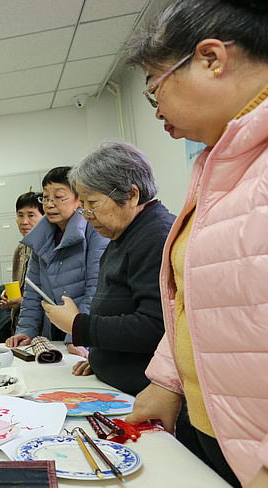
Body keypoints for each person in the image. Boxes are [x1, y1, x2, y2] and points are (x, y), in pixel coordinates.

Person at [122, 1, 268, 488]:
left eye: (154, 86)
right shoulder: (217, 164)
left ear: (210, 58)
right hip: (216, 429)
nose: (155, 107)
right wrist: (167, 381)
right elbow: (195, 298)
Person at [39, 141, 175, 395]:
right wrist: (101, 358)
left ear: (131, 195)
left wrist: (78, 325)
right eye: (83, 206)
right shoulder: (121, 233)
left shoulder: (156, 236)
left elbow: (155, 328)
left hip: (144, 394)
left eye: (93, 203)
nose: (87, 215)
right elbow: (119, 307)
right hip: (115, 384)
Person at [6, 167, 109, 355]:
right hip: (53, 333)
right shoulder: (41, 236)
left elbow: (95, 289)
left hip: (86, 333)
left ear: (79, 199)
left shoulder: (94, 230)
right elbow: (33, 291)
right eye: (45, 197)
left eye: (59, 197)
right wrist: (25, 331)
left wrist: (77, 335)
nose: (50, 204)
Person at [0, 192, 44, 332]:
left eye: (31, 215)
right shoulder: (21, 248)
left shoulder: (47, 247)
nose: (24, 221)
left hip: (44, 324)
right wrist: (9, 295)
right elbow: (18, 285)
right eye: (20, 215)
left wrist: (24, 301)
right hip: (20, 322)